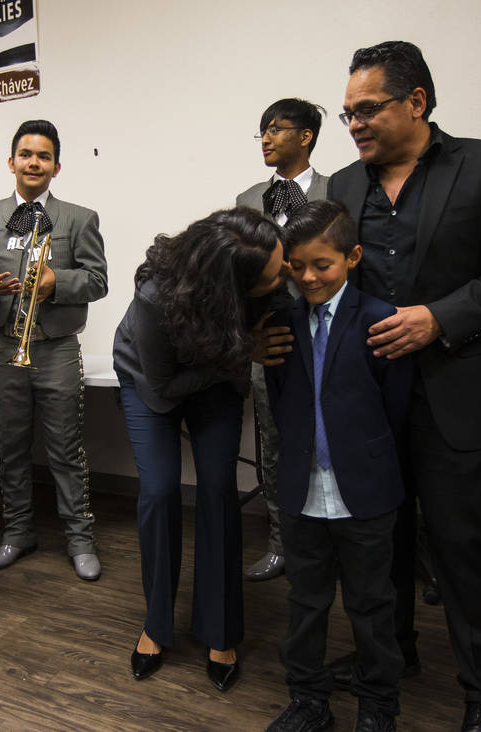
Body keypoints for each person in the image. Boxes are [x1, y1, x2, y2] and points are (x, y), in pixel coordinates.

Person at [321, 41, 481, 731]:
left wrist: (437, 319)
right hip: (372, 397)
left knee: (460, 548)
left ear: (416, 102)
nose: (354, 124)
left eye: (367, 110)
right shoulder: (343, 186)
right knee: (378, 542)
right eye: (346, 113)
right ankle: (388, 659)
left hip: (456, 387)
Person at [114, 207, 289, 691]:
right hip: (153, 383)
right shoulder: (156, 295)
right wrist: (239, 352)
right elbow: (165, 387)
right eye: (278, 270)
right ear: (231, 285)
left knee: (217, 490)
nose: (286, 272)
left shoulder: (265, 279)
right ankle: (156, 624)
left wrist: (237, 353)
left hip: (218, 380)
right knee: (160, 490)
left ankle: (221, 630)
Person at [263, 200, 409, 732]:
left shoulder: (380, 320)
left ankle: (377, 705)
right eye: (296, 266)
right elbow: (280, 402)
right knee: (305, 602)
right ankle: (307, 698)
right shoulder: (279, 324)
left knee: (372, 606)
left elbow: (396, 408)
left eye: (321, 265)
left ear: (353, 257)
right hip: (302, 490)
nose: (308, 277)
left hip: (365, 491)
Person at [0, 120, 107, 581]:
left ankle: (80, 539)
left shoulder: (79, 218)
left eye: (43, 156)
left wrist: (56, 282)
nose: (33, 162)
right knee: (9, 446)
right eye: (26, 154)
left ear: (56, 167)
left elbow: (99, 280)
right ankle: (18, 532)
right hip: (4, 346)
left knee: (66, 448)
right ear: (11, 162)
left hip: (57, 348)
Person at [236, 98, 327, 582]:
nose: (266, 138)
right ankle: (281, 542)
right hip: (267, 339)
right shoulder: (247, 199)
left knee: (328, 441)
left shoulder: (340, 190)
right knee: (272, 445)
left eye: (276, 129)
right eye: (262, 131)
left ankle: (330, 543)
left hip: (327, 339)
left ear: (306, 136)